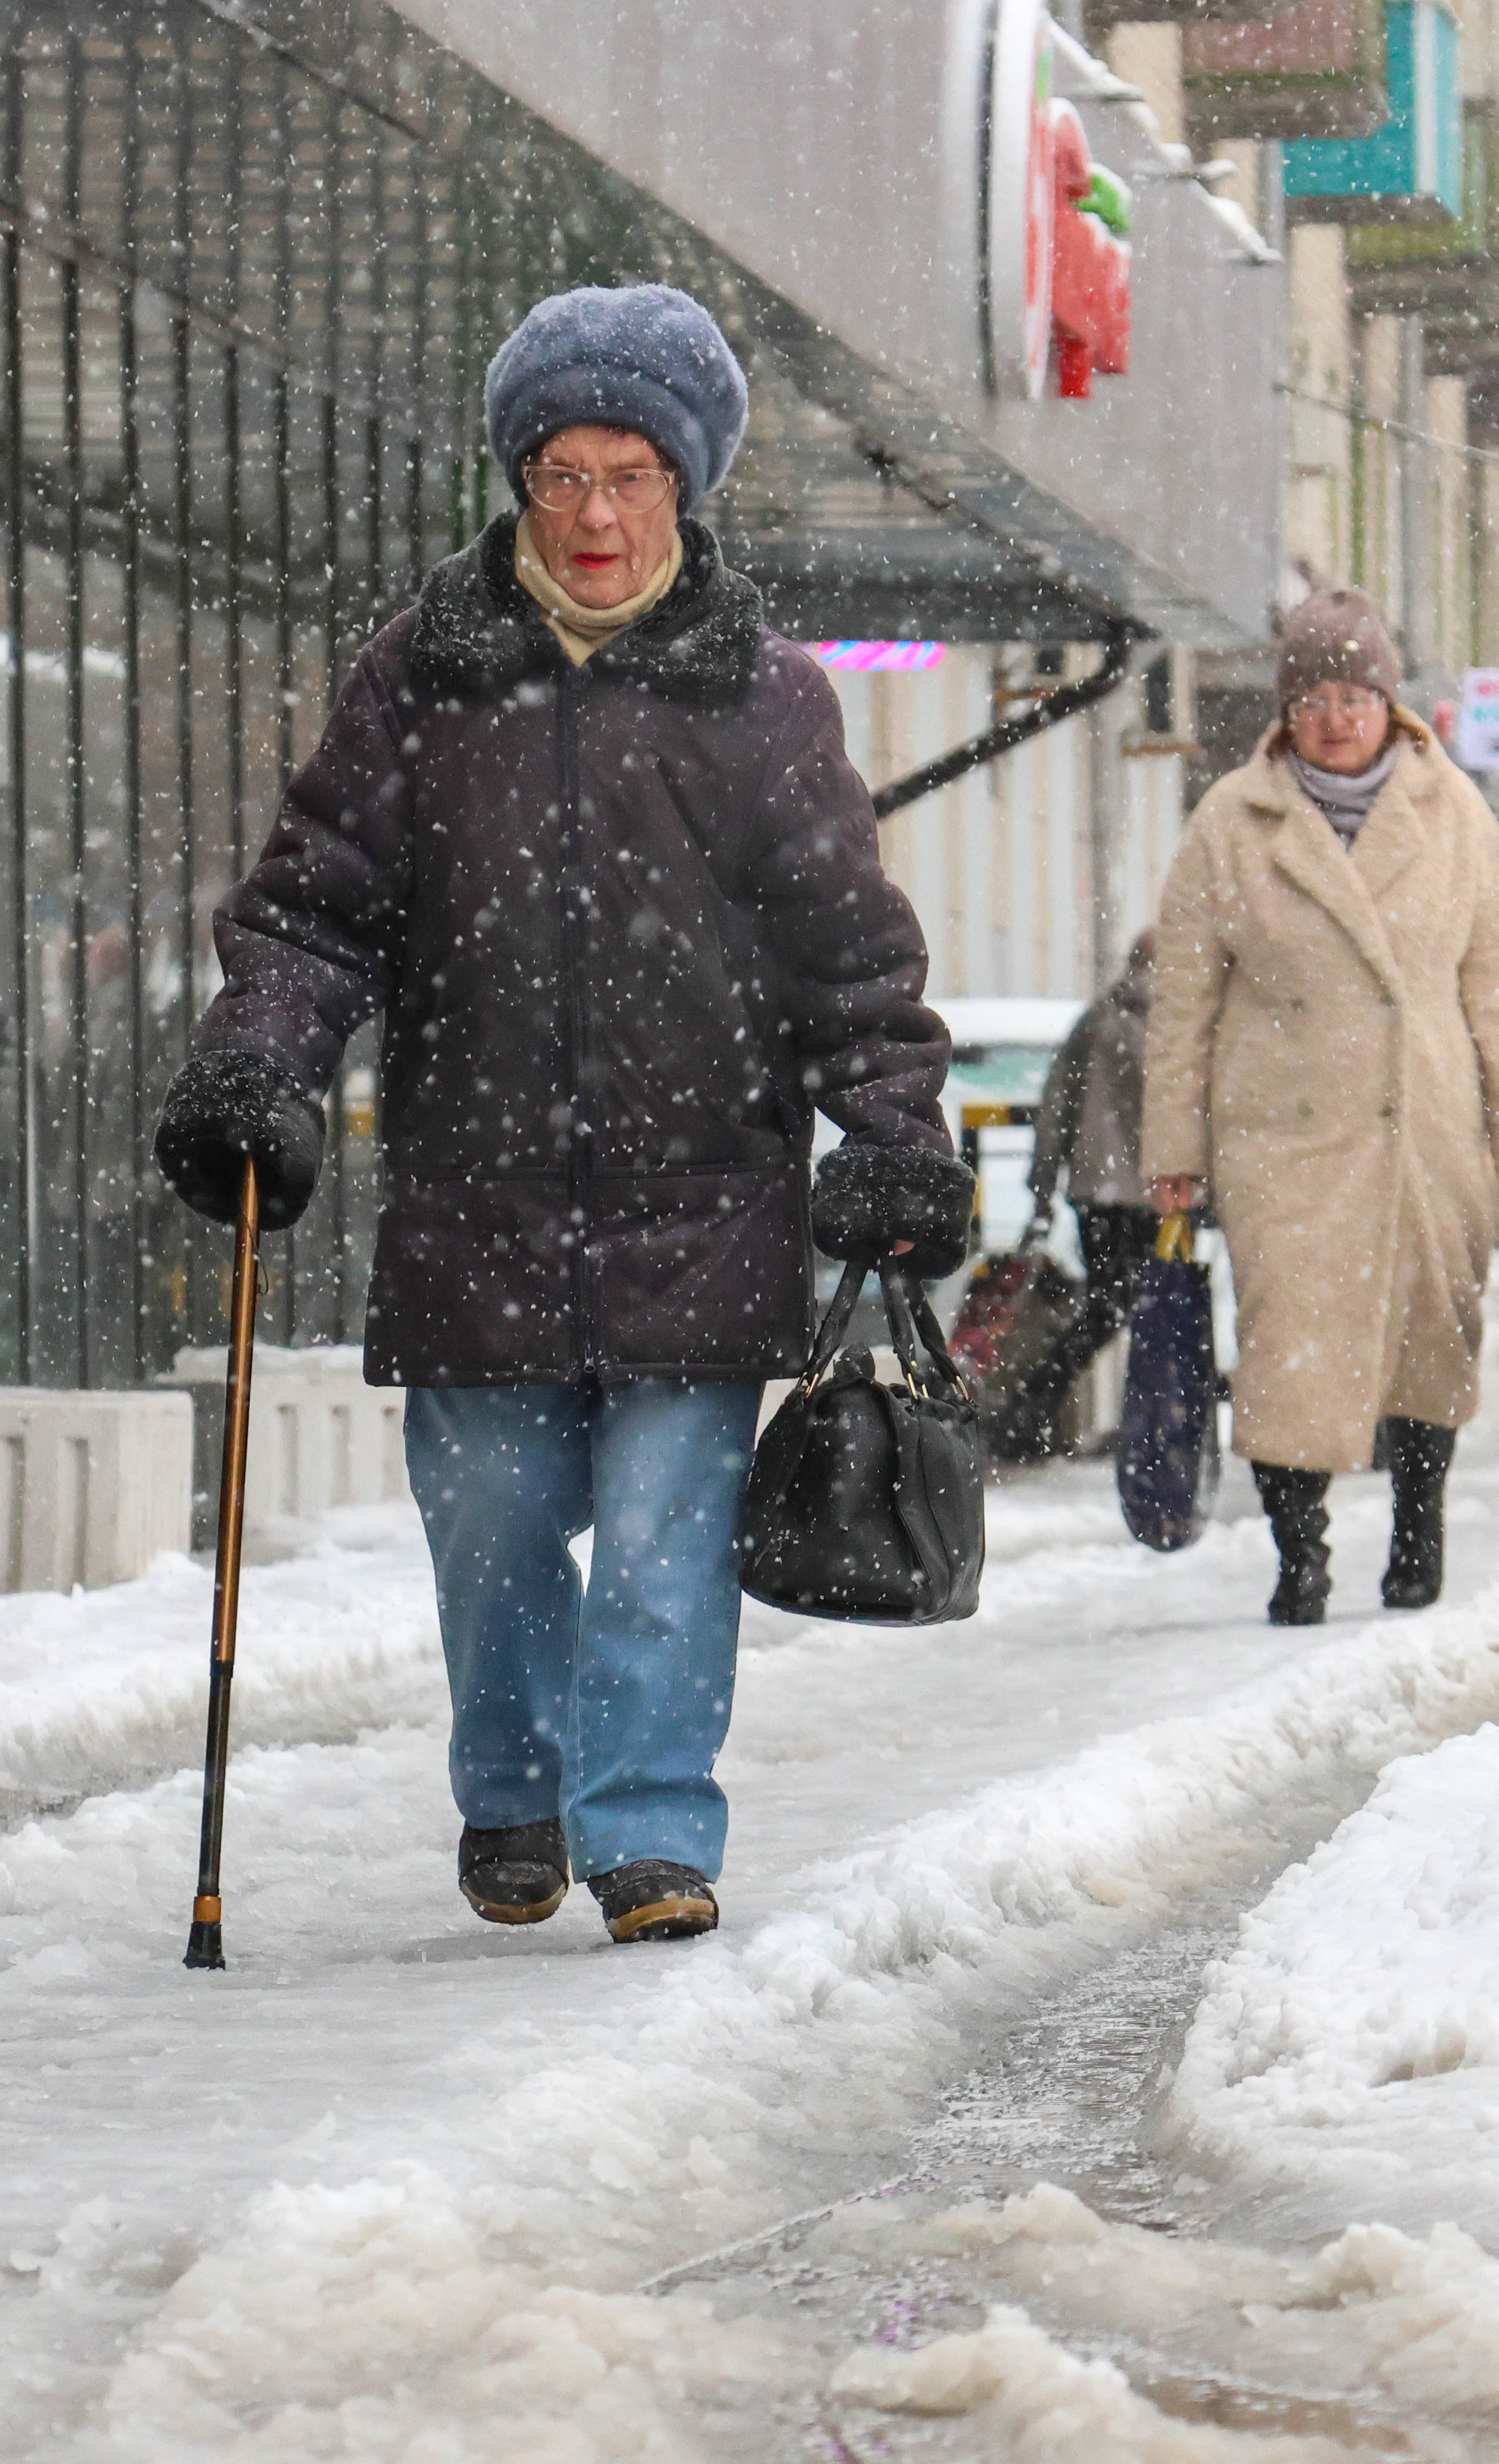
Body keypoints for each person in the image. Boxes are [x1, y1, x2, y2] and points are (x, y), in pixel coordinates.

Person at [151, 283, 970, 1946]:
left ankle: (652, 1829)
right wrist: (261, 1059)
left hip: (703, 1194)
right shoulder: (423, 675)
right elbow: (313, 908)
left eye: (631, 476)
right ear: (519, 482)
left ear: (686, 485)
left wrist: (890, 1127)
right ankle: (510, 1782)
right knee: (495, 1534)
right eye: (561, 475)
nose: (595, 515)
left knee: (671, 1545)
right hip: (476, 1195)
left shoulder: (759, 694)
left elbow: (848, 950)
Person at [1141, 590, 1499, 1626]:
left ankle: (1419, 1528)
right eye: (1314, 697)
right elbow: (1182, 1003)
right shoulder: (1230, 823)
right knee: (1289, 1344)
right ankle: (1301, 1553)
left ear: (1389, 703)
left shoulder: (1456, 814)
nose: (1336, 716)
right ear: (1287, 710)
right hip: (1283, 1135)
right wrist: (1174, 1147)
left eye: (1355, 694)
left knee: (1433, 1335)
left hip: (1427, 1127)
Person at [1006, 930, 1157, 1448]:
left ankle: (1035, 1402)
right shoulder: (1180, 1024)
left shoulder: (1095, 1021)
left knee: (1109, 1305)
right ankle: (1145, 1421)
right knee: (1150, 1309)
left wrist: (1043, 1182)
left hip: (1096, 1189)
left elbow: (1056, 1108)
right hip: (1158, 1192)